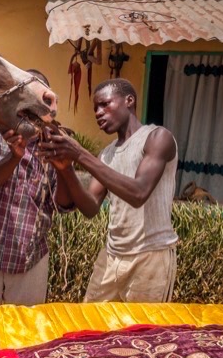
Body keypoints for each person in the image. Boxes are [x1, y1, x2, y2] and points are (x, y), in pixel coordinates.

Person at [38, 78, 178, 303]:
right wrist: (66, 170)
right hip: (112, 255)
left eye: (105, 104)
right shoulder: (107, 154)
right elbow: (91, 207)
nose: (98, 113)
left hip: (150, 257)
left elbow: (138, 193)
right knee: (92, 326)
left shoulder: (157, 137)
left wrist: (81, 154)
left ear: (129, 100)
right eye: (95, 108)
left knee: (139, 334)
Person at [0, 70, 73, 306]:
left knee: (25, 335)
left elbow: (61, 205)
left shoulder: (54, 142)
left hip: (30, 258)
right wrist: (14, 156)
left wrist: (64, 169)